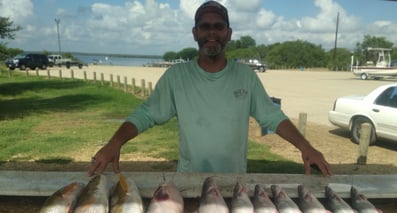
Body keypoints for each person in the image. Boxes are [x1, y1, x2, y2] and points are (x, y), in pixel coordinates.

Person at [88, 1, 332, 177]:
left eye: (218, 26)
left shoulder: (245, 76)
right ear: (195, 33)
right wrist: (115, 143)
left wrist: (306, 147)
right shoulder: (177, 76)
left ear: (229, 33)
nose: (212, 32)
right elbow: (146, 114)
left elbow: (272, 116)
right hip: (189, 180)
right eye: (205, 27)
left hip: (234, 183)